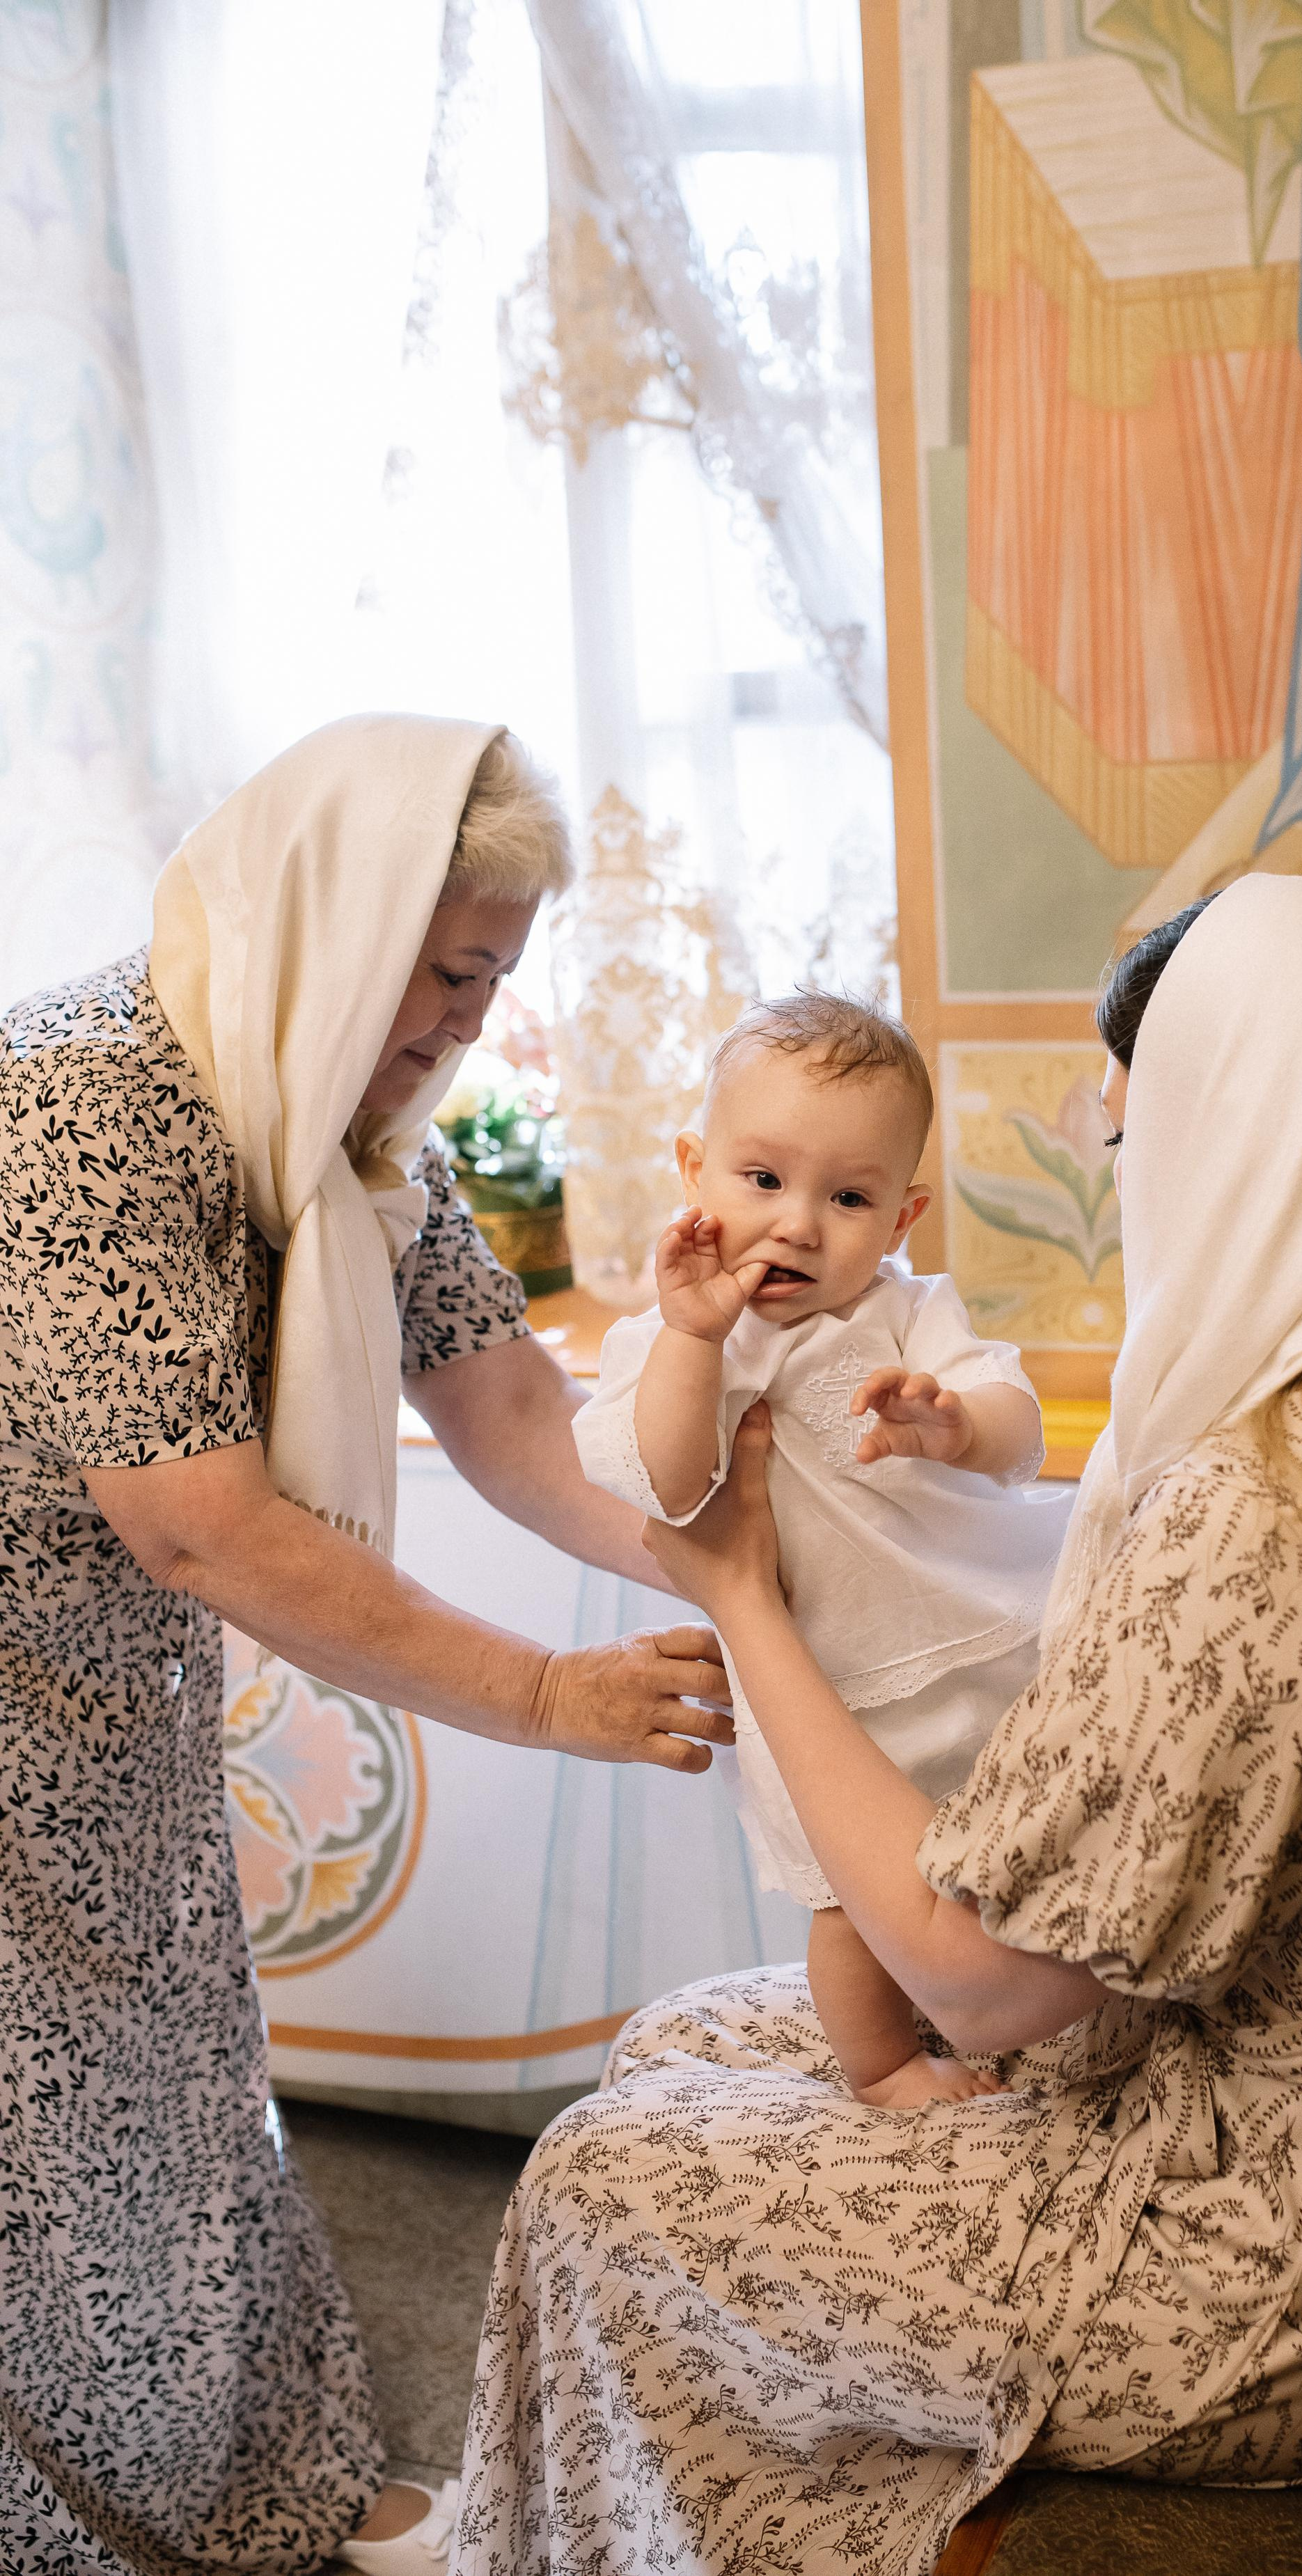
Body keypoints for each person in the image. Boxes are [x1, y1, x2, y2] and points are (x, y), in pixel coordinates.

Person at [452, 874, 1302, 2576]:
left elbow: (984, 1981)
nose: (1130, 1178)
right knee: (681, 2046)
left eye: (1128, 1139)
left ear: (1227, 1135)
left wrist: (737, 1591)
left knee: (603, 2175)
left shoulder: (1271, 1502)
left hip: (1291, 2249)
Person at [0, 716, 732, 2576]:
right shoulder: (83, 1104)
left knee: (161, 2084)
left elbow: (499, 1401)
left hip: (103, 1683)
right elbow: (203, 1520)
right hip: (41, 1665)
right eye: (454, 971)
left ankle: (243, 2479)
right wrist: (553, 1691)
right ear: (335, 920)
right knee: (50, 2121)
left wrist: (722, 1571)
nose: (466, 1024)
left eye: (494, 981)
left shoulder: (337, 1114)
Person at [572, 992, 1072, 2107]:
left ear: (902, 1218)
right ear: (694, 1170)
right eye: (763, 1181)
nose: (799, 1224)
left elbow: (1019, 1423)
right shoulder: (669, 1339)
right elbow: (669, 1481)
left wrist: (952, 1421)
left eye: (847, 1197)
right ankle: (886, 2064)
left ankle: (1032, 2018)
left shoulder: (907, 1315)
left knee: (1018, 1836)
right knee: (852, 1895)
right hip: (824, 1695)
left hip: (983, 1635)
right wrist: (697, 1340)